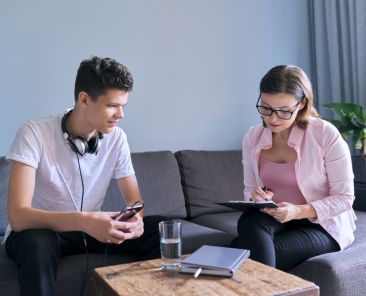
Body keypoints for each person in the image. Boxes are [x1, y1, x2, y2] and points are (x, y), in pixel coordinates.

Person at [5, 56, 164, 295]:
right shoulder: (34, 133)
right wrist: (85, 220)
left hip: (89, 230)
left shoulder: (117, 138)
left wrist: (135, 222)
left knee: (159, 228)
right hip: (42, 232)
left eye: (123, 106)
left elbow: (135, 202)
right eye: (112, 105)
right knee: (37, 241)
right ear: (84, 99)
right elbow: (18, 216)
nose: (120, 114)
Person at [230, 65, 356, 271]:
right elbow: (250, 190)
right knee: (249, 220)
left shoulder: (324, 134)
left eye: (284, 111)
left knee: (243, 255)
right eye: (266, 107)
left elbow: (345, 198)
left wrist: (298, 211)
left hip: (321, 225)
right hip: (277, 217)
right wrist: (256, 197)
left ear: (302, 104)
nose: (272, 118)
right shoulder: (253, 137)